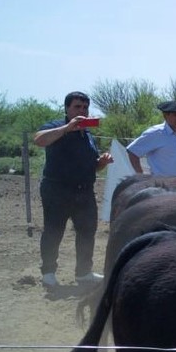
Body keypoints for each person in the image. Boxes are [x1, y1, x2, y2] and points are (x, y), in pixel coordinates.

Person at [33, 91, 113, 287]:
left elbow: (91, 166)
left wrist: (101, 162)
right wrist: (66, 128)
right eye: (77, 107)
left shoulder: (87, 135)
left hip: (84, 191)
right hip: (57, 189)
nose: (82, 111)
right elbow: (38, 140)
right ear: (67, 108)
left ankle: (83, 273)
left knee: (87, 231)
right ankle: (49, 272)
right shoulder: (55, 127)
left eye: (85, 107)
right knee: (54, 231)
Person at [126, 100, 176, 176]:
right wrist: (141, 176)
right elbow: (133, 151)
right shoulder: (156, 133)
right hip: (162, 185)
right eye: (175, 115)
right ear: (165, 116)